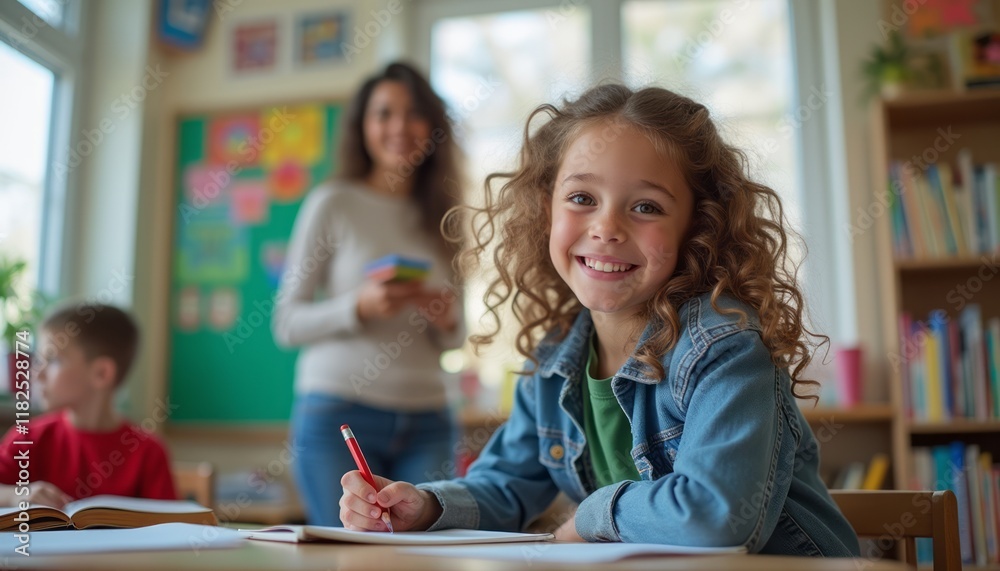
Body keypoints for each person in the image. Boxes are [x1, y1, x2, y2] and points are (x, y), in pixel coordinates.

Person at [337, 84, 862, 556]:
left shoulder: (726, 346)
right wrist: (423, 505)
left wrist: (591, 515)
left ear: (697, 225)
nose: (606, 227)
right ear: (548, 211)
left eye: (647, 207)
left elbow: (715, 516)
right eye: (582, 198)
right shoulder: (556, 356)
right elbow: (506, 485)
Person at [272, 62, 465, 526]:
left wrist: (444, 319)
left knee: (423, 559)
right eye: (384, 114)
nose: (399, 127)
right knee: (353, 557)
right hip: (338, 415)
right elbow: (286, 323)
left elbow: (457, 339)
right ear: (363, 127)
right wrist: (356, 307)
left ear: (433, 127)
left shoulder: (447, 216)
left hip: (429, 420)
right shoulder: (333, 202)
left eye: (414, 114)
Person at [0, 303, 177, 507]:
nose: (38, 373)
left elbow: (169, 524)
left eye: (54, 360)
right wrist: (16, 495)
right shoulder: (27, 439)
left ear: (101, 373)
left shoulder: (149, 452)